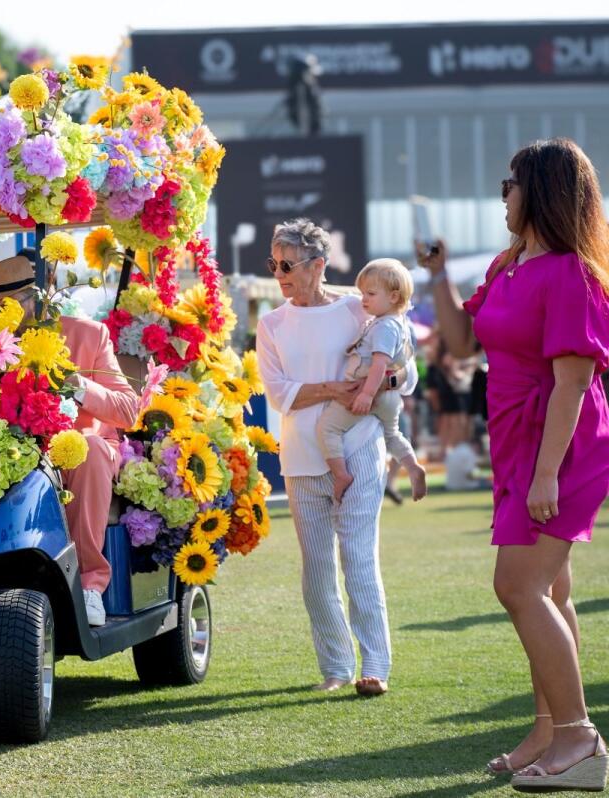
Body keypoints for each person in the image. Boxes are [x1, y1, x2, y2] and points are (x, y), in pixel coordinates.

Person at [418, 138, 609, 789]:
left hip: (562, 446)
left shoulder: (571, 274)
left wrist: (548, 473)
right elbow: (463, 341)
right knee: (549, 589)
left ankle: (580, 739)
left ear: (544, 192)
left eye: (512, 182)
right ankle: (551, 729)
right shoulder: (509, 264)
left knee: (517, 587)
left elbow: (573, 383)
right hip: (517, 443)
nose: (503, 194)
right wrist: (439, 277)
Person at [255, 218, 417, 697]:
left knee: (359, 559)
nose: (279, 272)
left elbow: (404, 375)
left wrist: (377, 385)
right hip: (303, 458)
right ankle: (336, 667)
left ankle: (376, 665)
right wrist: (333, 389)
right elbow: (279, 394)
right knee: (317, 570)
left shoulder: (359, 309)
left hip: (360, 449)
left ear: (318, 265)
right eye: (274, 263)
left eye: (288, 263)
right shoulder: (271, 324)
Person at [0, 251, 139, 627]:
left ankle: (91, 584)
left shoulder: (88, 334)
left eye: (7, 305)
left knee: (89, 448)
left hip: (81, 453)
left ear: (37, 298)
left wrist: (79, 386)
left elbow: (129, 410)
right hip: (13, 449)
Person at [315, 258, 427, 504]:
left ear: (394, 296)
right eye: (362, 293)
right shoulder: (399, 324)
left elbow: (379, 364)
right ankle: (412, 466)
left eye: (371, 294)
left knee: (327, 428)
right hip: (391, 399)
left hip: (368, 391)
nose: (363, 299)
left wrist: (366, 394)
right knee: (392, 434)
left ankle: (341, 474)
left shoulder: (384, 327)